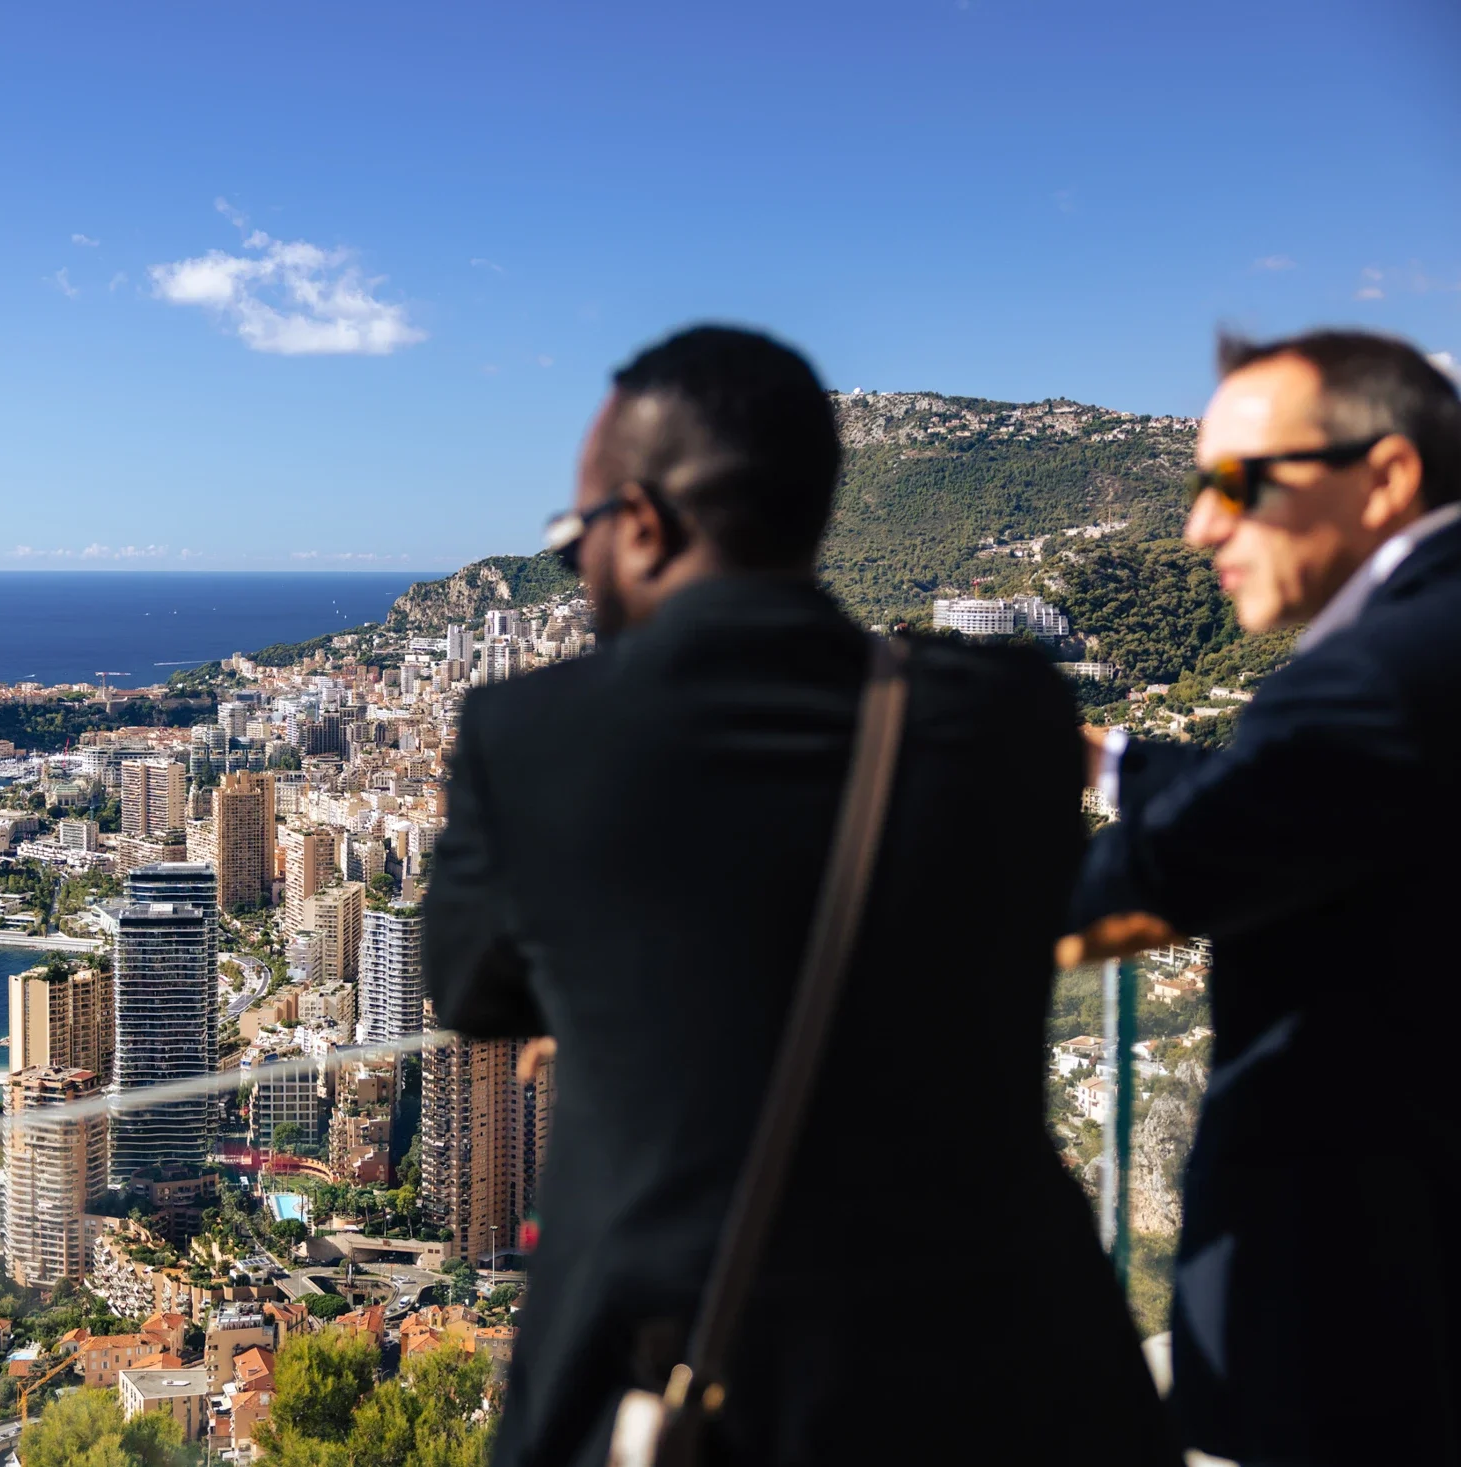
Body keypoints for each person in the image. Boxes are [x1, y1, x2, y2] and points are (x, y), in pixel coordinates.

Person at [426, 325, 1173, 1466]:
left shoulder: (529, 737)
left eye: (574, 540)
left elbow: (472, 986)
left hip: (678, 1379)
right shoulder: (1006, 711)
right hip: (1010, 1379)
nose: (576, 571)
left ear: (642, 524)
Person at [1064, 330, 1461, 1465]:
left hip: (1362, 1342)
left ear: (1384, 476)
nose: (1198, 526)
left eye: (1235, 484)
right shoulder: (1416, 660)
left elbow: (1153, 873)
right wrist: (1107, 761)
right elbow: (1292, 807)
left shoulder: (1366, 682)